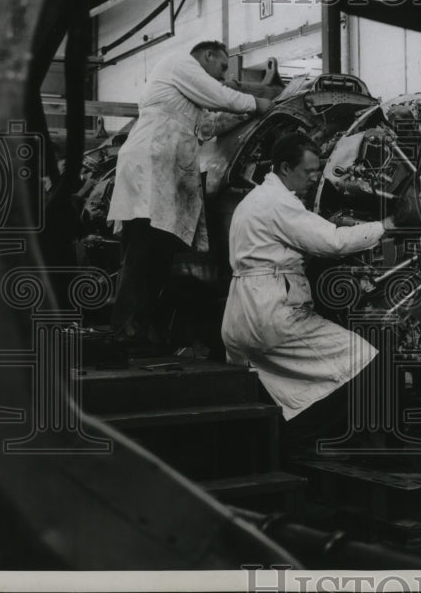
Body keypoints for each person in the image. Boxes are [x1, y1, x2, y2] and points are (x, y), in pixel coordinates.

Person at [221, 134, 402, 452]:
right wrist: (387, 224)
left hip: (241, 316)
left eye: (318, 171)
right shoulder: (279, 203)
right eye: (308, 172)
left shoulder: (253, 200)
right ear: (285, 167)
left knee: (283, 388)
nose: (314, 178)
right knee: (365, 361)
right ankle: (315, 445)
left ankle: (279, 444)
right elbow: (333, 242)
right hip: (272, 316)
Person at [107, 40, 272, 344]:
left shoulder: (185, 96)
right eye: (222, 67)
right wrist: (257, 103)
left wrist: (246, 116)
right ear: (207, 55)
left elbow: (209, 126)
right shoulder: (179, 63)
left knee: (157, 252)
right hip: (152, 165)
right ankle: (126, 330)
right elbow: (220, 96)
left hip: (161, 168)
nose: (223, 76)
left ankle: (139, 329)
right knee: (143, 250)